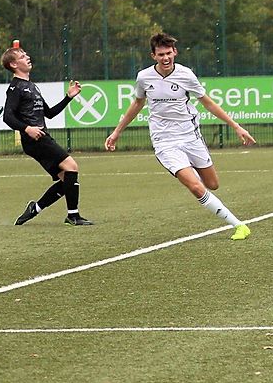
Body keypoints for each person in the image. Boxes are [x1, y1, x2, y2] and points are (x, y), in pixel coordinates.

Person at [105, 33, 255, 241]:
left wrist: (236, 127)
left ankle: (191, 172)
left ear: (175, 52)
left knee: (212, 184)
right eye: (161, 54)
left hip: (190, 136)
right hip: (164, 141)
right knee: (195, 187)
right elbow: (137, 103)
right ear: (153, 56)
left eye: (168, 53)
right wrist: (116, 132)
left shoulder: (186, 75)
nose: (165, 58)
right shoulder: (144, 77)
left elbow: (208, 102)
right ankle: (238, 225)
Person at [1, 46, 92, 226]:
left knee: (67, 179)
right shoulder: (15, 88)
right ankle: (73, 216)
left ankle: (35, 208)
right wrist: (27, 128)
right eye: (22, 56)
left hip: (40, 138)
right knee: (71, 166)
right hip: (35, 140)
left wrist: (68, 97)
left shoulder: (31, 86)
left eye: (26, 54)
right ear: (13, 64)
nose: (27, 57)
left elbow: (49, 113)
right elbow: (7, 116)